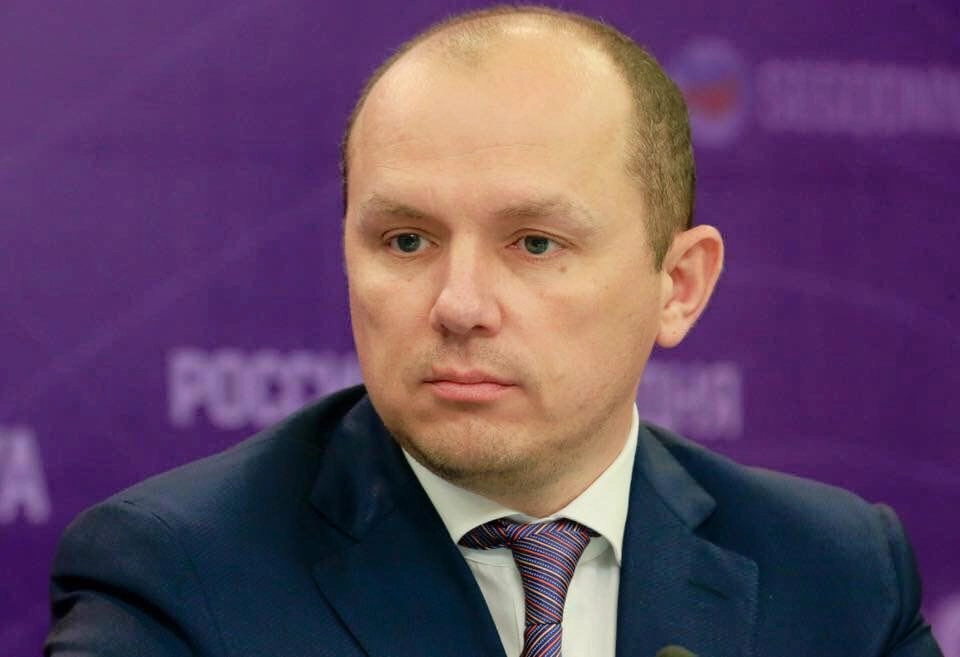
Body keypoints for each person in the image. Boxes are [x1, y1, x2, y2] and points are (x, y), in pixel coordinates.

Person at [46, 6, 943, 657]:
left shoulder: (840, 576)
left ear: (678, 286)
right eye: (407, 240)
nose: (460, 303)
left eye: (535, 243)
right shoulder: (177, 577)